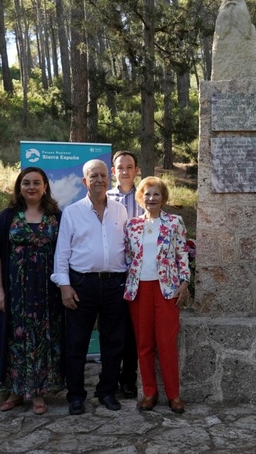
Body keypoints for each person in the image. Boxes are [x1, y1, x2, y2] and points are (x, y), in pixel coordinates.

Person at [51, 159, 129, 415]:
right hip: (81, 284)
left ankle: (106, 391)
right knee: (76, 343)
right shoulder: (72, 212)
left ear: (110, 178)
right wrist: (64, 285)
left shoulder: (121, 211)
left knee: (114, 342)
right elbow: (62, 252)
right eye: (93, 176)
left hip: (115, 284)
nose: (99, 179)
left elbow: (127, 249)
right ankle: (75, 395)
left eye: (103, 175)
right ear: (84, 181)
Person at [0, 167, 64, 415]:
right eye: (26, 183)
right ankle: (15, 391)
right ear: (19, 187)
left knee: (43, 340)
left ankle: (39, 393)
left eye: (36, 183)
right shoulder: (8, 216)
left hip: (47, 293)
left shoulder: (56, 216)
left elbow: (66, 254)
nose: (31, 187)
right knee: (13, 339)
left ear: (45, 187)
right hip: (15, 293)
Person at [124, 176, 191, 413]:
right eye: (147, 194)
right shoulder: (131, 225)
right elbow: (128, 258)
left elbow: (182, 254)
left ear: (163, 199)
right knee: (143, 344)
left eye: (156, 194)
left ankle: (174, 395)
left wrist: (184, 282)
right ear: (140, 198)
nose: (151, 198)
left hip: (167, 290)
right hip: (139, 290)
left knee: (166, 343)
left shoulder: (175, 223)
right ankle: (150, 393)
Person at [106, 150, 141, 399]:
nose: (125, 171)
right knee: (111, 330)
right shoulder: (103, 198)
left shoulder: (146, 195)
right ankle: (108, 379)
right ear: (113, 171)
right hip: (113, 273)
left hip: (140, 275)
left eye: (130, 167)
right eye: (120, 167)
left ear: (136, 170)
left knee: (131, 331)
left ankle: (128, 379)